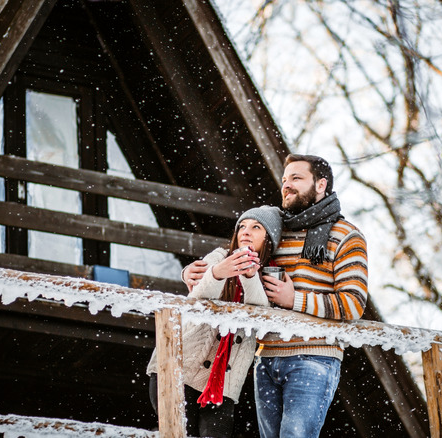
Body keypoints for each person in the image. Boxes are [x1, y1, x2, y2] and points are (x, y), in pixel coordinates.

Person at [183, 154, 368, 438]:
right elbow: (234, 251)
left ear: (321, 185)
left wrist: (295, 300)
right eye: (284, 180)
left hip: (314, 357)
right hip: (266, 356)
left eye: (296, 178)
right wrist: (190, 273)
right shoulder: (276, 229)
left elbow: (353, 304)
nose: (287, 185)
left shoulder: (346, 236)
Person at [147, 205, 283, 438]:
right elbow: (197, 295)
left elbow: (260, 318)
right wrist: (218, 272)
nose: (245, 231)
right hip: (178, 368)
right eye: (242, 226)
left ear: (268, 238)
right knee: (177, 433)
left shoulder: (271, 276)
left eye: (256, 227)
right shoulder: (219, 257)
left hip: (224, 385)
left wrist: (250, 277)